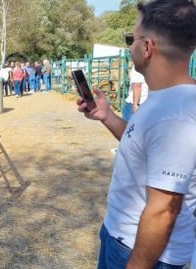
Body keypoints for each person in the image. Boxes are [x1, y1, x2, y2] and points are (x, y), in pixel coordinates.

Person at [76, 1, 196, 268]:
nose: (130, 46)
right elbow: (142, 149)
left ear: (147, 47)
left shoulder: (174, 115)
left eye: (131, 38)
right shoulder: (166, 99)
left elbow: (164, 210)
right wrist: (107, 116)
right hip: (123, 236)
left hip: (142, 253)